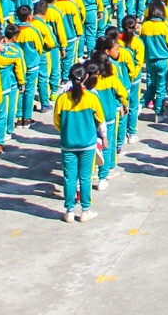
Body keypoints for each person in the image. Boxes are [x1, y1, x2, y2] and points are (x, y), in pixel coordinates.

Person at [54, 65, 106, 222]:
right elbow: (100, 121)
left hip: (68, 143)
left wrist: (67, 132)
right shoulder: (91, 98)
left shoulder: (62, 99)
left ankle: (69, 210)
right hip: (87, 143)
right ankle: (85, 210)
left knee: (69, 178)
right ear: (85, 78)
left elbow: (57, 123)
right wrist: (103, 137)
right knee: (85, 178)